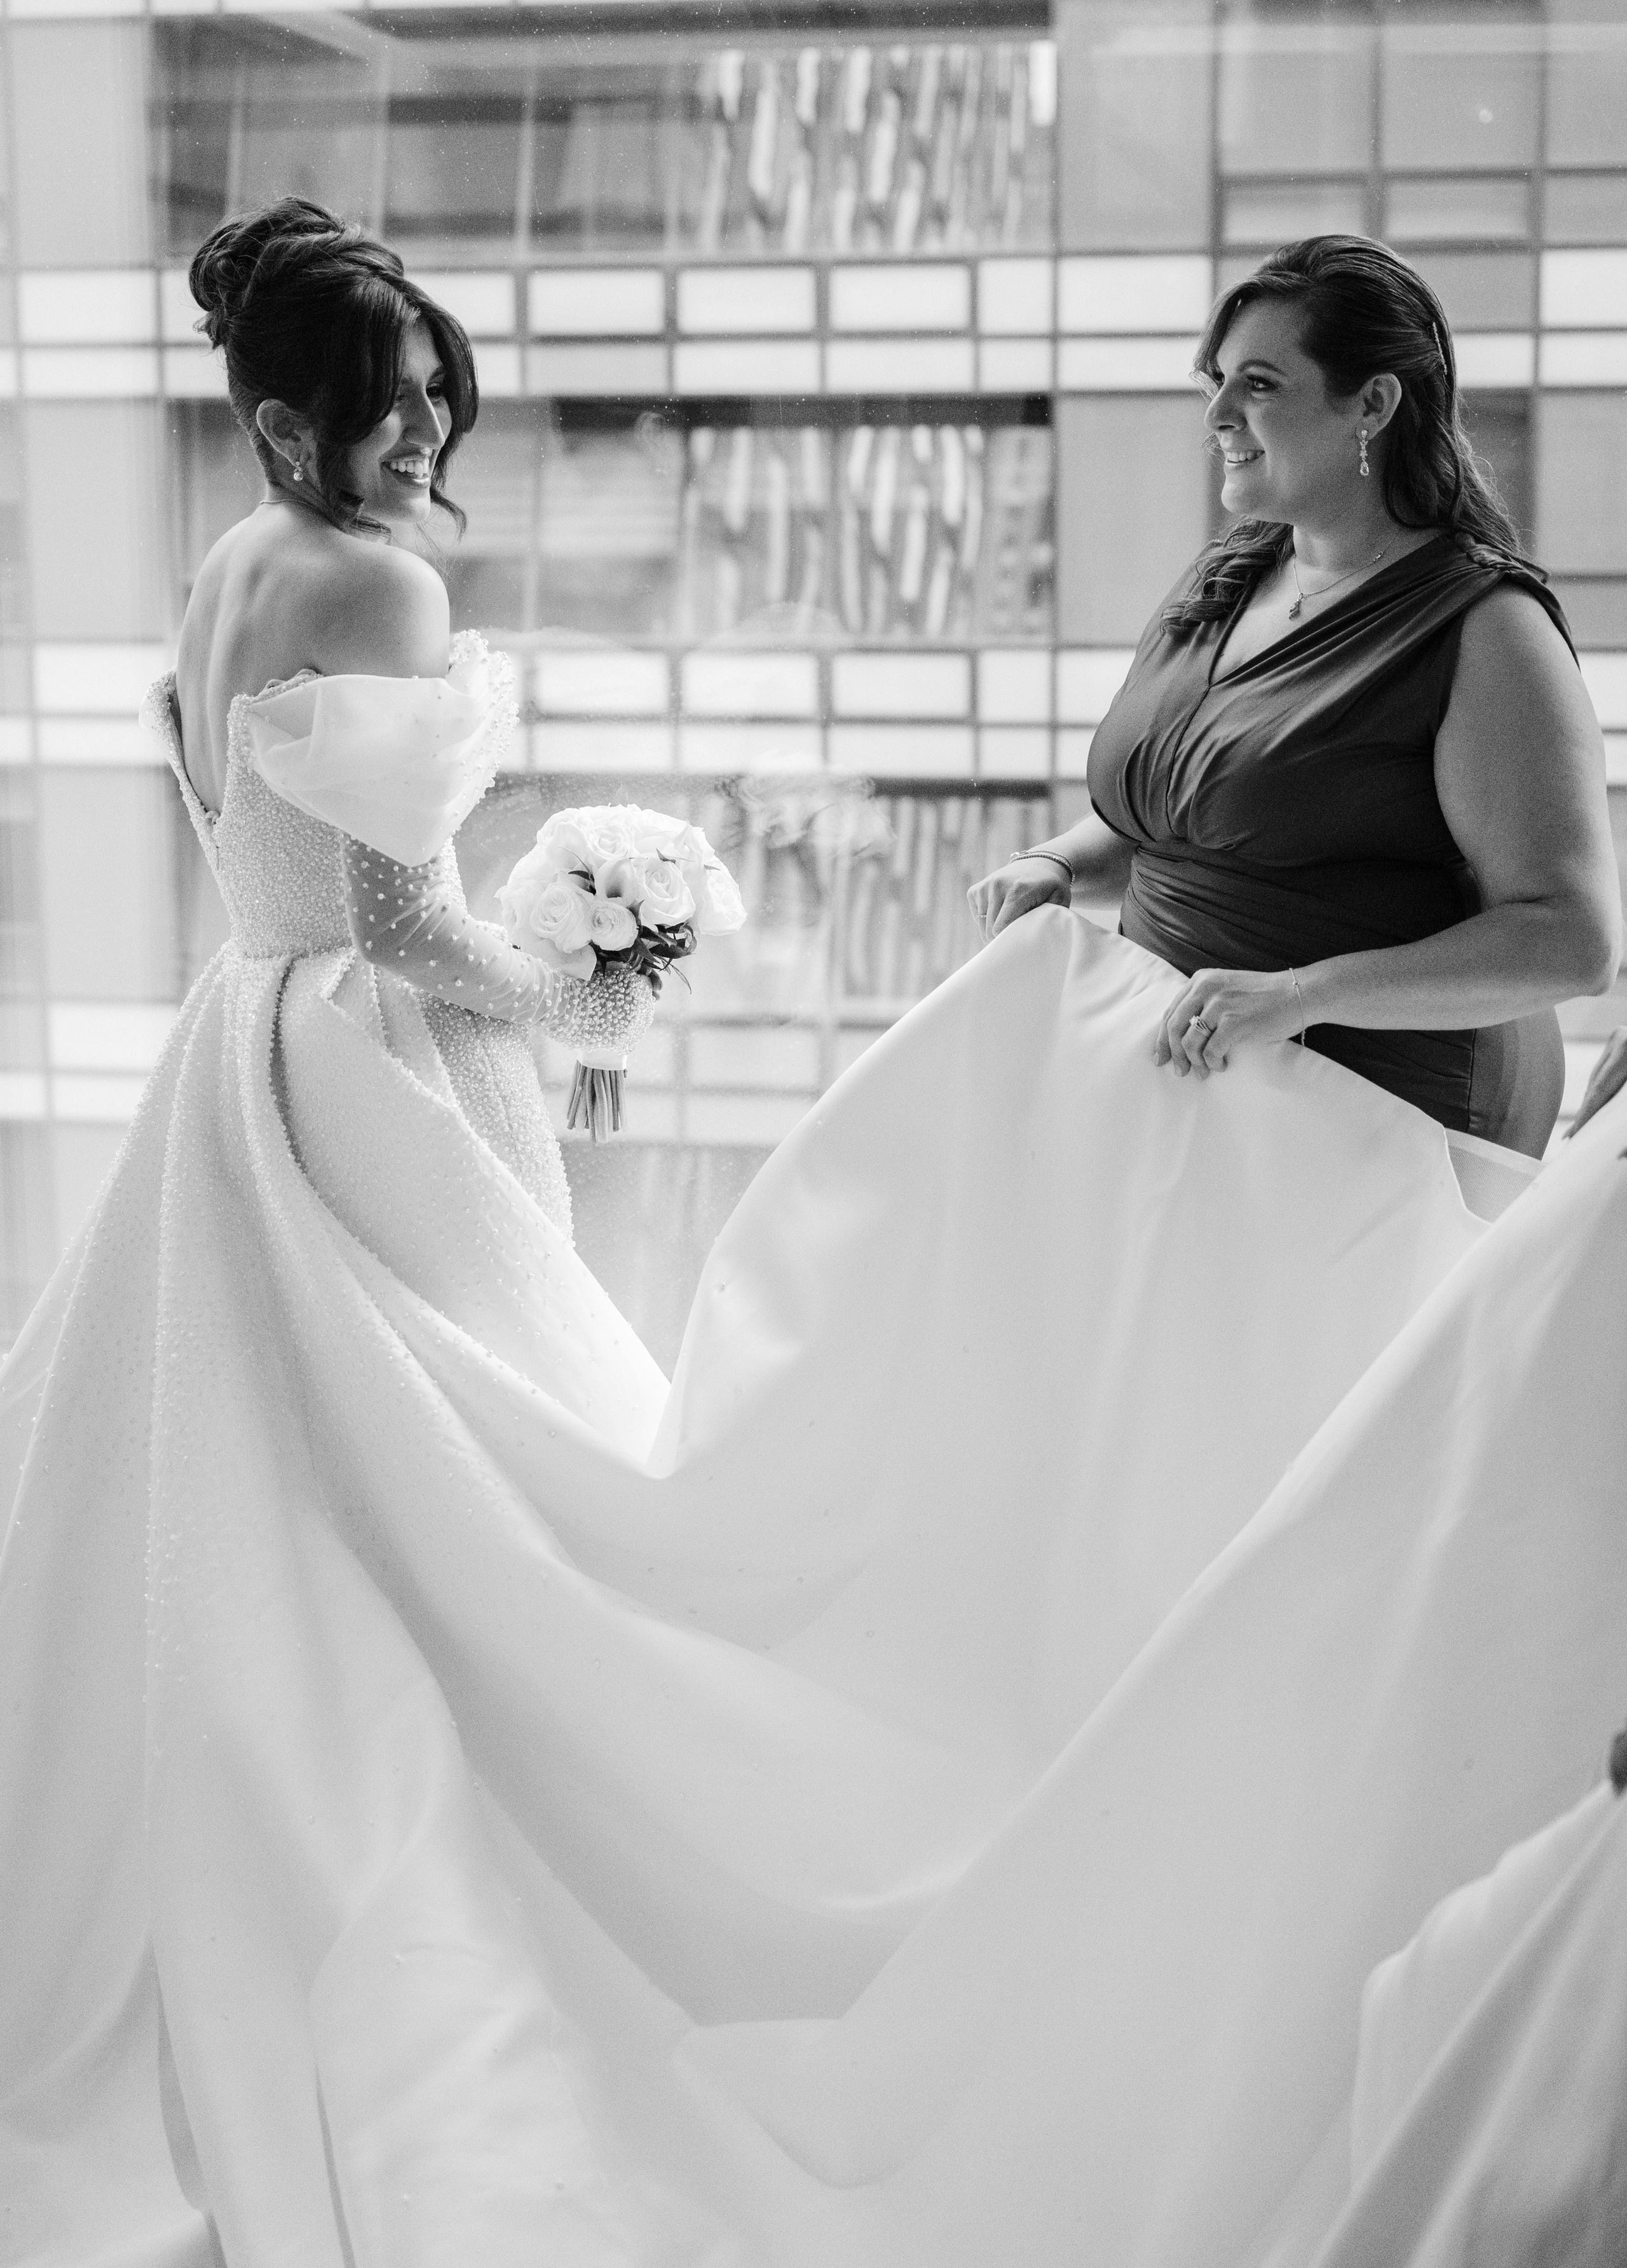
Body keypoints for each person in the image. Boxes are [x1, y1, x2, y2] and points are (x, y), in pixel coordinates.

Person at [1, 203, 1621, 2267]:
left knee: (272, 1447)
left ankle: (328, 1764)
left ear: (1381, 403)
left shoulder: (224, 570)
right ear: (288, 416)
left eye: (1257, 388)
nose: (422, 438)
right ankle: (449, 1773)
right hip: (383, 1048)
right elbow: (402, 913)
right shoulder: (381, 582)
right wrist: (556, 985)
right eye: (394, 407)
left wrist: (1232, 960)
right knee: (458, 1462)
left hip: (246, 1038)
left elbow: (261, 834)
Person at [970, 236, 1621, 1160]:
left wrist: (1299, 994)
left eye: (1261, 385)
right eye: (1218, 383)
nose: (1220, 414)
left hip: (1369, 1127)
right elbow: (1188, 814)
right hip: (1187, 1096)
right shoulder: (1234, 573)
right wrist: (1062, 867)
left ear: (1375, 403)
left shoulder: (1484, 627)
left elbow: (1572, 944)